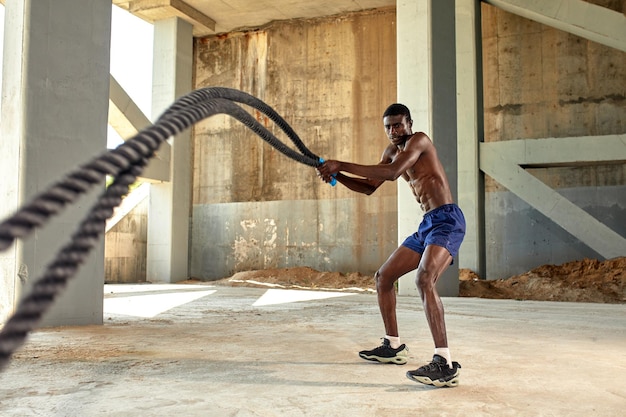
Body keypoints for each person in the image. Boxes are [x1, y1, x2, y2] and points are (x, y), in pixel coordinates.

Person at [316, 103, 465, 388]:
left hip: (447, 220)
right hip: (427, 225)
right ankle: (393, 345)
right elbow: (370, 186)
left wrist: (341, 164)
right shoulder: (390, 151)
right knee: (383, 277)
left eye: (398, 125)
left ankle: (444, 363)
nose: (393, 131)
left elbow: (394, 172)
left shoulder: (418, 140)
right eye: (388, 126)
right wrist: (338, 176)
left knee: (424, 279)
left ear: (409, 123)